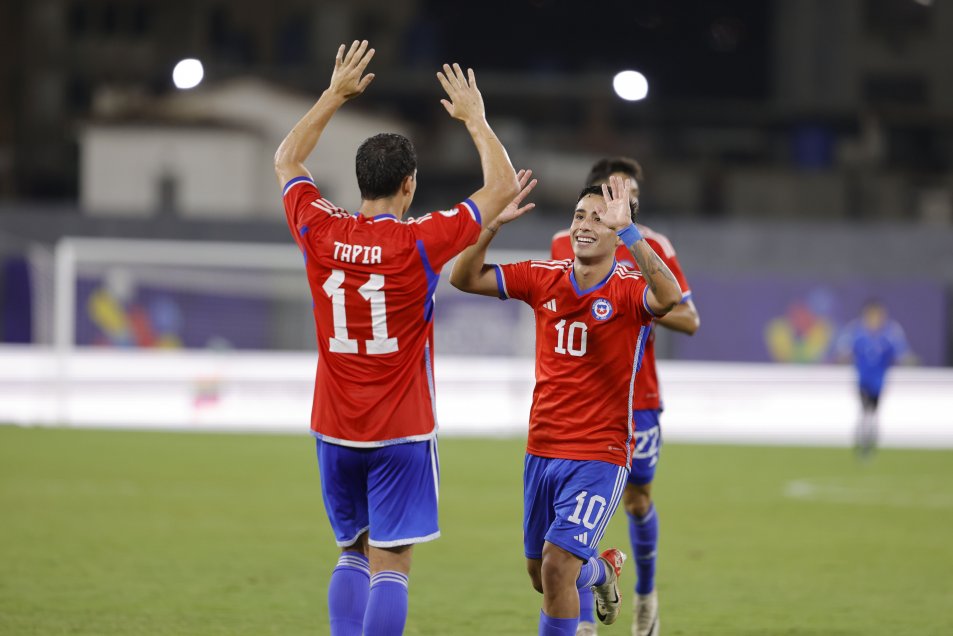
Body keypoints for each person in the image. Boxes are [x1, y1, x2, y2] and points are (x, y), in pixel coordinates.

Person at [274, 40, 518, 635]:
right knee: (392, 563)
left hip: (334, 425)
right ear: (409, 184)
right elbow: (503, 187)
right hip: (401, 428)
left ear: (360, 180)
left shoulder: (320, 228)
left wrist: (334, 94)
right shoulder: (420, 242)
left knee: (351, 552)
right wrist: (475, 119)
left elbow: (287, 159)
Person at [450, 172, 683, 636]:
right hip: (542, 449)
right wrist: (491, 225)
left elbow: (670, 297)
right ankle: (603, 570)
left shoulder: (627, 289)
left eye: (599, 219)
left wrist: (629, 230)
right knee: (542, 576)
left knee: (558, 567)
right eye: (580, 216)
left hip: (599, 454)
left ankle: (590, 577)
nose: (585, 225)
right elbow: (464, 277)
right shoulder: (544, 277)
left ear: (617, 232)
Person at [552, 157, 699, 636]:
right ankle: (581, 615)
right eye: (614, 193)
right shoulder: (565, 242)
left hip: (639, 398)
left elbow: (689, 318)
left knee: (637, 501)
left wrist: (632, 303)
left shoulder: (652, 246)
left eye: (630, 195)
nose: (623, 202)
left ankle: (645, 596)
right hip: (582, 400)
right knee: (571, 513)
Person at [836, 299, 913, 458]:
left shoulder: (890, 333)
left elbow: (901, 353)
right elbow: (844, 350)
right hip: (863, 379)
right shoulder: (857, 331)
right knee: (865, 410)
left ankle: (869, 442)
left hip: (879, 381)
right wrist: (842, 358)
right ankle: (863, 443)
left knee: (873, 412)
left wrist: (908, 361)